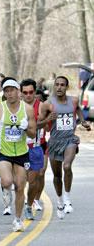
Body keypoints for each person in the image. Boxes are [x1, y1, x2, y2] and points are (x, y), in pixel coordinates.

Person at [0, 78, 36, 232]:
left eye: (12, 90)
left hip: (21, 152)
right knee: (7, 181)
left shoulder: (27, 109)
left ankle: (18, 219)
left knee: (20, 186)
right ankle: (6, 189)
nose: (10, 93)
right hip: (3, 150)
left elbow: (33, 134)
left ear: (18, 91)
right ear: (4, 93)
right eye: (6, 91)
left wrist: (26, 128)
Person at [38, 76, 91, 219]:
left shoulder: (73, 100)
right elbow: (37, 125)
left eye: (62, 85)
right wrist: (48, 120)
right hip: (55, 142)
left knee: (67, 166)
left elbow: (78, 109)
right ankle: (60, 201)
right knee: (57, 175)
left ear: (66, 87)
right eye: (57, 85)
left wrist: (83, 121)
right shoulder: (47, 104)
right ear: (54, 86)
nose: (59, 87)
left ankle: (67, 199)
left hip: (70, 140)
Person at [19, 79, 47, 219]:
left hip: (35, 147)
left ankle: (29, 205)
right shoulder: (16, 106)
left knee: (34, 182)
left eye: (31, 92)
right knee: (19, 181)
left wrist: (40, 122)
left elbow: (42, 124)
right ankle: (18, 208)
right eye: (25, 92)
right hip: (18, 148)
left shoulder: (40, 106)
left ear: (35, 92)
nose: (28, 95)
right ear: (21, 93)